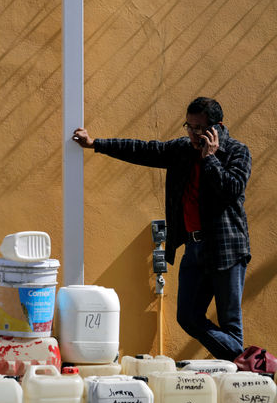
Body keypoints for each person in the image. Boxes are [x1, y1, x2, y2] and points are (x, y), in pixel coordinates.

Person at [72, 97, 251, 361]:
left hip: (227, 249)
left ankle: (242, 375)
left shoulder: (237, 152)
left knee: (230, 324)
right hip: (194, 247)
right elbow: (144, 150)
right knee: (188, 317)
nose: (192, 133)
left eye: (198, 128)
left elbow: (231, 189)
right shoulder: (183, 149)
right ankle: (251, 362)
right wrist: (95, 144)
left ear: (217, 127)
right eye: (188, 126)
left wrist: (210, 159)